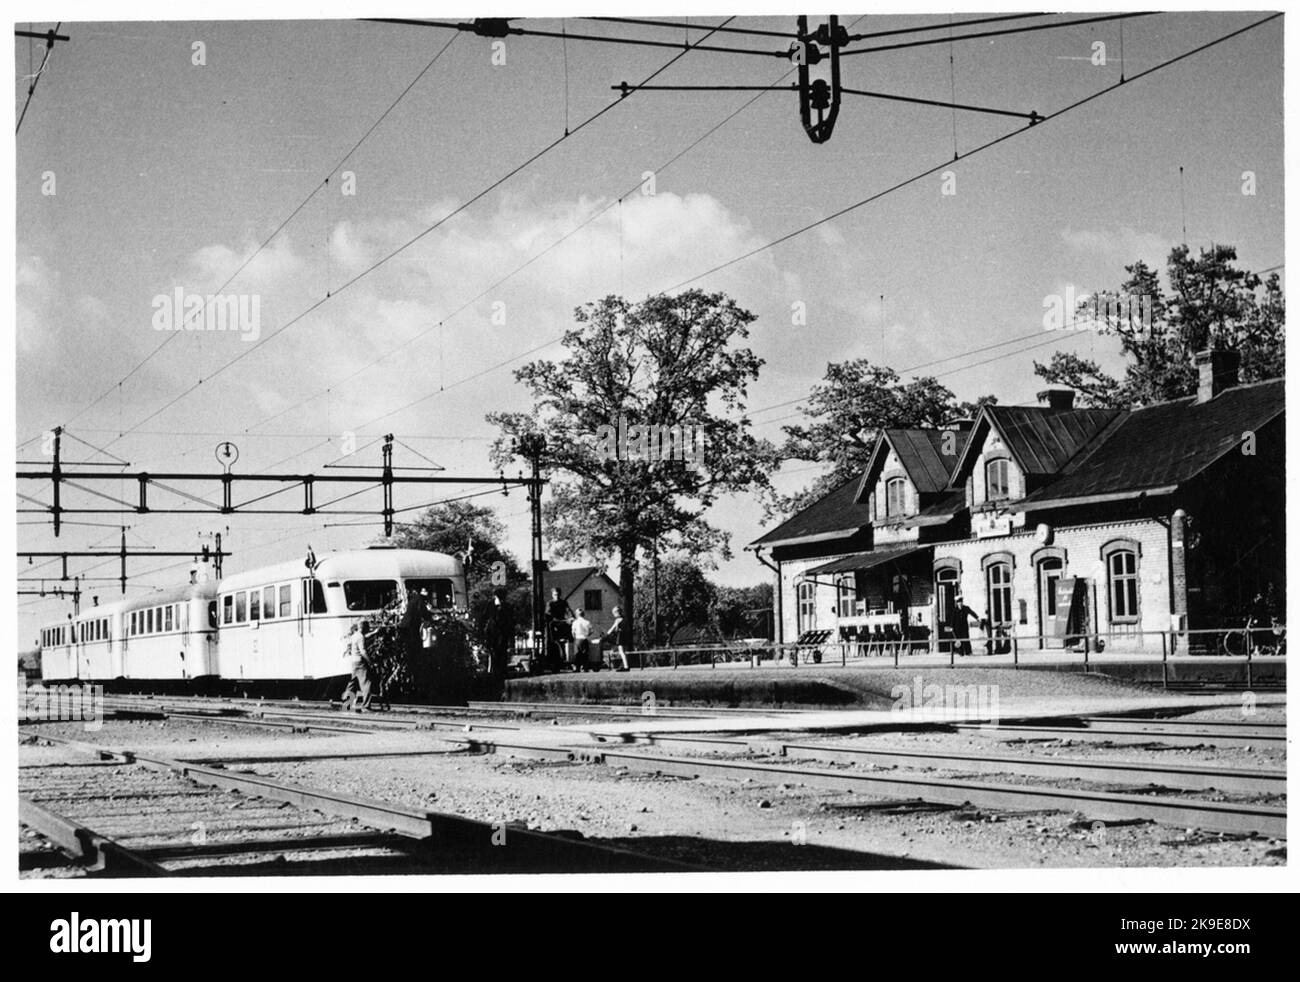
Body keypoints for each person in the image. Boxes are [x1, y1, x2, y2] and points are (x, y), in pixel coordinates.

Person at [479, 589, 516, 681]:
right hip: (493, 632)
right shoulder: (490, 605)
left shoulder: (507, 606)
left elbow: (510, 620)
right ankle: (495, 671)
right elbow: (485, 617)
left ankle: (502, 671)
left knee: (502, 652)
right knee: (494, 652)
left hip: (503, 632)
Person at [340, 620, 372, 712]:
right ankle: (366, 706)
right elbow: (363, 651)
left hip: (354, 663)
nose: (369, 629)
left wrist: (375, 632)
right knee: (366, 684)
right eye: (368, 627)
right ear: (363, 628)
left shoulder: (354, 635)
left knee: (352, 684)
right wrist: (370, 661)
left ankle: (346, 705)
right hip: (361, 662)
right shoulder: (361, 637)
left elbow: (364, 637)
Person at [545, 587, 572, 672]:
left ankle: (568, 658)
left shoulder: (563, 602)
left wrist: (571, 617)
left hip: (562, 623)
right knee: (552, 642)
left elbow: (568, 610)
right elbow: (548, 614)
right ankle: (552, 660)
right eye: (555, 595)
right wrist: (555, 619)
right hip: (553, 624)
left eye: (558, 594)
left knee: (568, 638)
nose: (556, 596)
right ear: (552, 595)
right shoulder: (550, 603)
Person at [604, 605, 631, 672]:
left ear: (616, 613)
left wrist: (606, 635)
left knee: (621, 652)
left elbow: (612, 629)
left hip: (620, 636)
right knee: (623, 652)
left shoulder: (618, 620)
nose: (613, 615)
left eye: (613, 613)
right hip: (625, 636)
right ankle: (625, 665)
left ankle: (626, 666)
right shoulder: (625, 619)